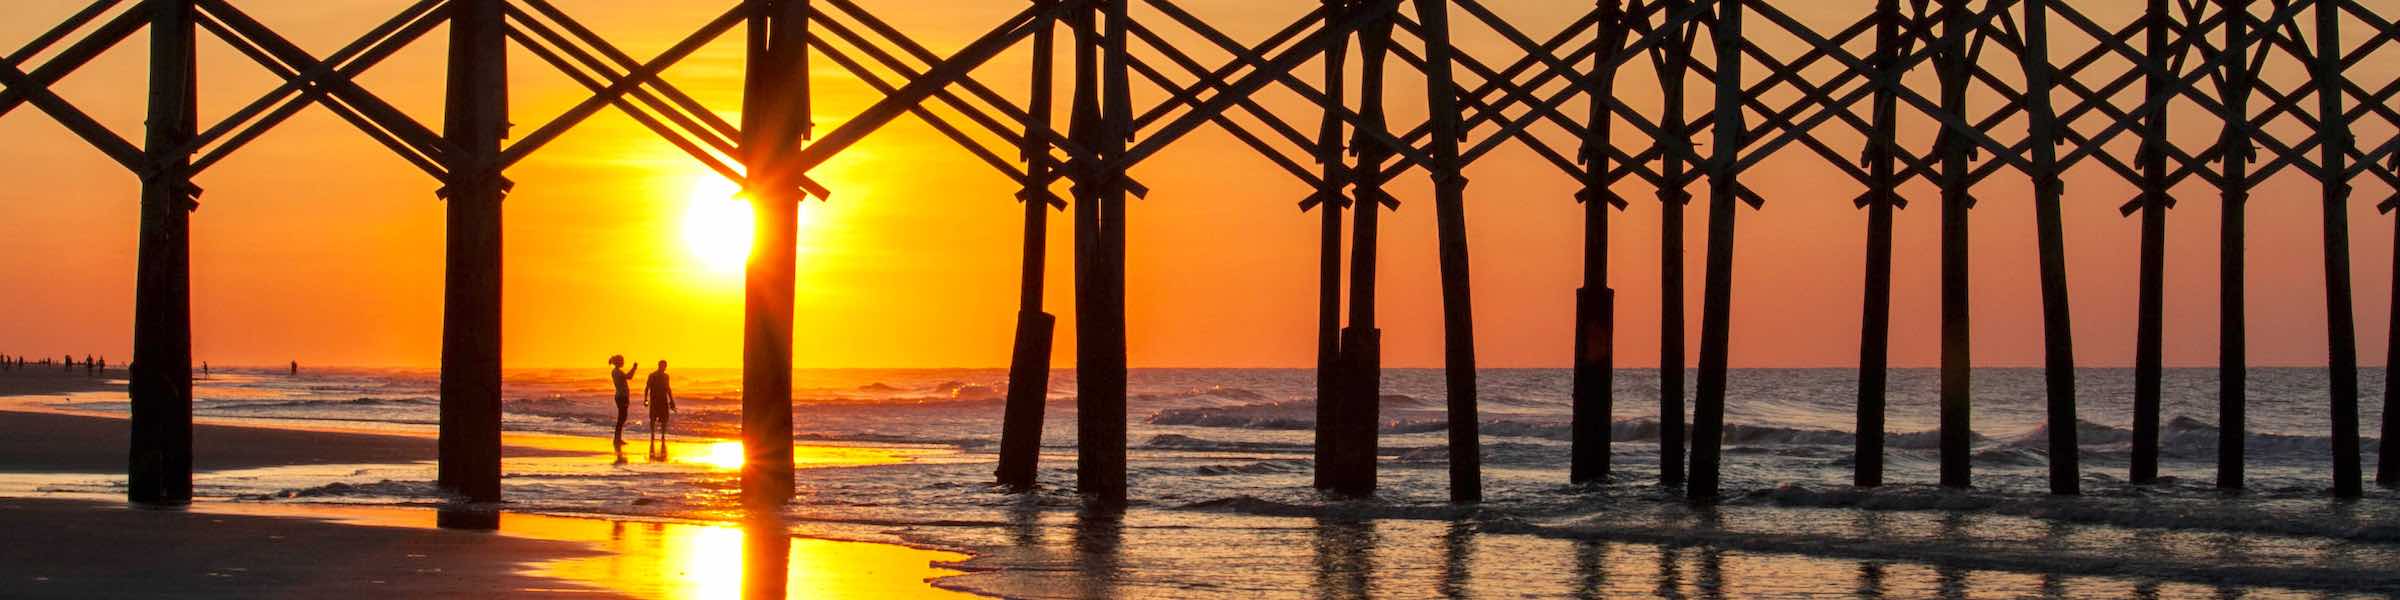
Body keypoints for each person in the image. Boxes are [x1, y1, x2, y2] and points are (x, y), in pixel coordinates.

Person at [642, 360, 675, 458]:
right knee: (653, 418)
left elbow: (668, 388)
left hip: (663, 400)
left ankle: (663, 436)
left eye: (665, 366)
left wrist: (671, 400)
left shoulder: (666, 376)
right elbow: (647, 387)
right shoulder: (652, 375)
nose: (664, 367)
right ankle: (652, 435)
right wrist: (645, 399)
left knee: (665, 418)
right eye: (662, 366)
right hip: (655, 400)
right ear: (659, 366)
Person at [607, 355, 640, 447]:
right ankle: (617, 439)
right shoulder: (617, 372)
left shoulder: (616, 371)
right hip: (622, 397)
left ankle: (617, 438)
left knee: (622, 418)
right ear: (618, 362)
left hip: (620, 396)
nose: (623, 362)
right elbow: (629, 377)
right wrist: (634, 368)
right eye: (622, 361)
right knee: (622, 418)